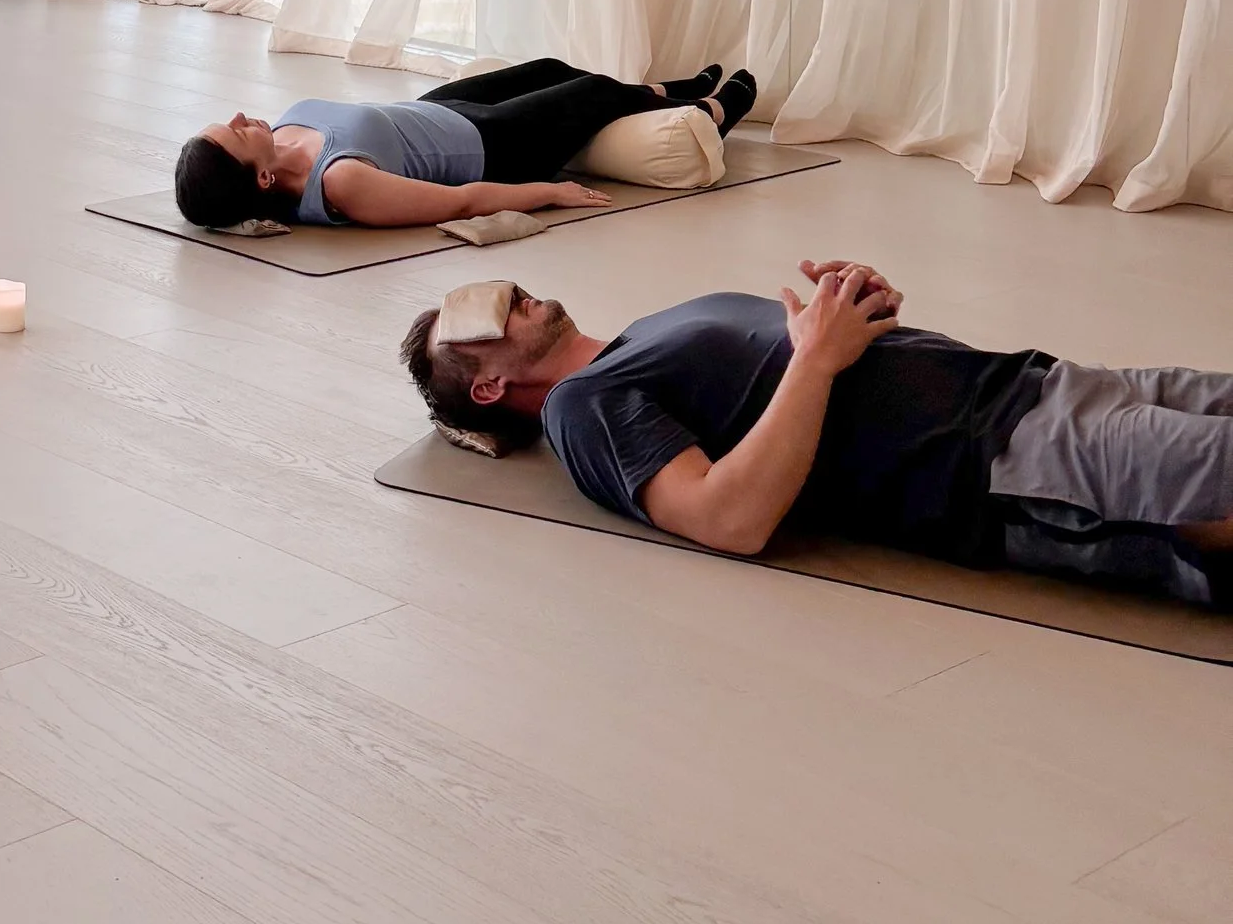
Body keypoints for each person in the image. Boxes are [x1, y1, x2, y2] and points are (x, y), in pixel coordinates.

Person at [400, 263, 1233, 606]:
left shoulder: (648, 330)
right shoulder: (581, 407)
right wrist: (819, 360)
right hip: (1002, 459)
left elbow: (814, 375)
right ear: (488, 383)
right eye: (475, 320)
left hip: (1038, 382)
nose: (506, 296)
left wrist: (862, 315)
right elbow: (729, 520)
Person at [174, 56, 757, 232]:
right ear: (264, 180)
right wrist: (548, 192)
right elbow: (459, 203)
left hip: (436, 110)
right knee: (592, 91)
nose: (240, 115)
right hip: (492, 143)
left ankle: (665, 92)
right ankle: (711, 110)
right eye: (234, 132)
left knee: (548, 66)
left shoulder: (276, 141)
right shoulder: (341, 183)